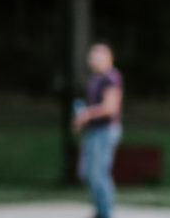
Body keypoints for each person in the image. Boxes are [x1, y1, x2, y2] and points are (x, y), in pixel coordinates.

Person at [73, 42, 124, 218]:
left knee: (99, 173)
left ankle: (105, 212)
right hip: (94, 131)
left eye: (98, 57)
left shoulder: (111, 78)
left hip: (105, 131)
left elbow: (110, 108)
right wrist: (83, 119)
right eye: (92, 57)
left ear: (109, 58)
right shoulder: (95, 79)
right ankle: (100, 210)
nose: (93, 60)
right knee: (87, 172)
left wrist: (87, 114)